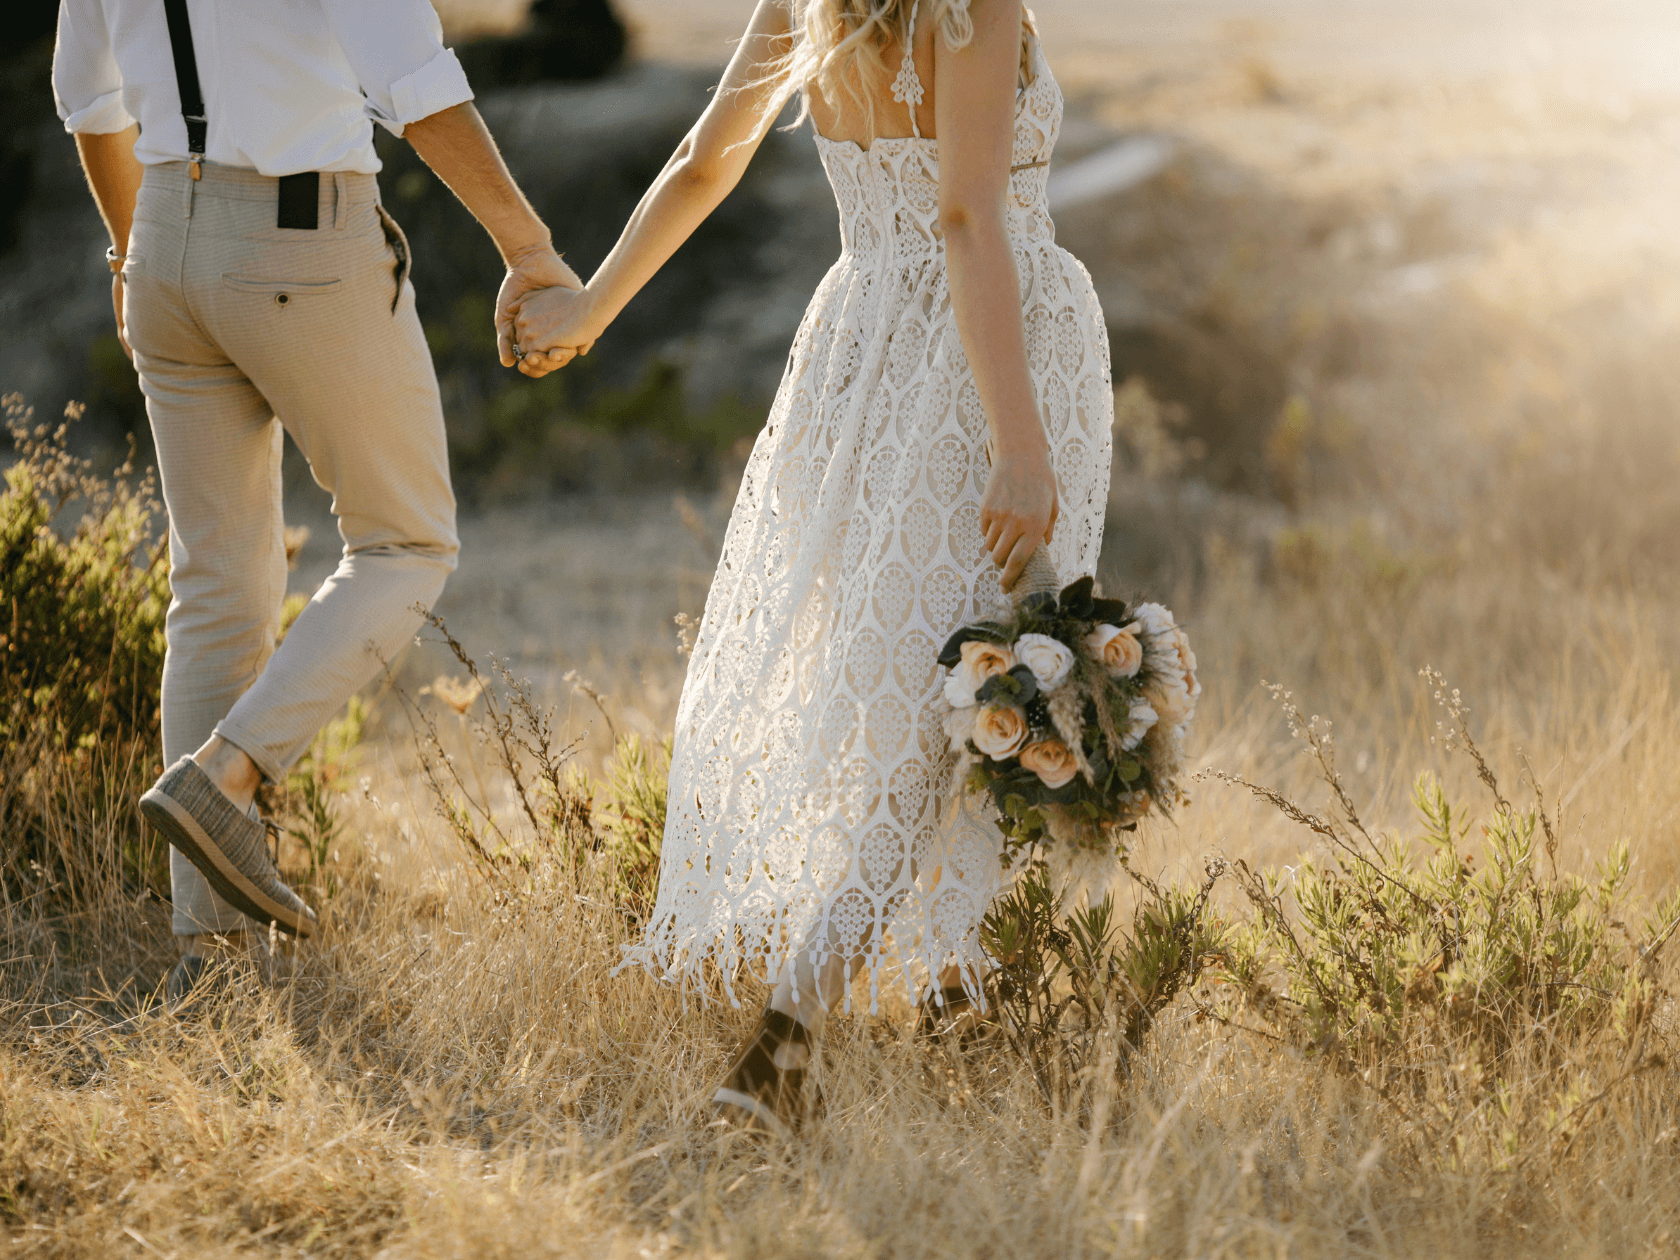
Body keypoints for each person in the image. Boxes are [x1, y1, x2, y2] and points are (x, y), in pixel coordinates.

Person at [512, 0, 1113, 1134]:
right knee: (972, 691)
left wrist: (593, 308)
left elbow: (703, 162)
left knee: (942, 681)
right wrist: (1021, 444)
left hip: (860, 351)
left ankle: (954, 983)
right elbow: (969, 216)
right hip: (983, 364)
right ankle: (787, 1041)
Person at [52, 0, 577, 1006]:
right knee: (407, 544)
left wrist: (135, 254)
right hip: (301, 234)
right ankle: (229, 775)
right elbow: (417, 85)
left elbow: (87, 97)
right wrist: (530, 249)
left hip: (161, 235)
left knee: (215, 587)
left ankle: (210, 967)